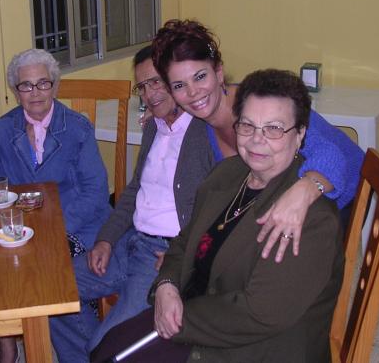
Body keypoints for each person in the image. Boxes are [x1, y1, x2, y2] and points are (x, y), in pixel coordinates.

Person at [92, 69, 345, 362]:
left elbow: (260, 313)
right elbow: (184, 242)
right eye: (247, 125)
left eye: (274, 128)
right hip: (196, 315)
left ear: (300, 134)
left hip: (252, 349)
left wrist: (177, 319)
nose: (257, 140)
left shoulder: (310, 220)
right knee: (106, 348)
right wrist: (166, 285)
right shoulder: (227, 174)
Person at [49, 46, 215, 362]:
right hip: (131, 242)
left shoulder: (205, 130)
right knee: (53, 290)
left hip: (162, 256)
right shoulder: (154, 127)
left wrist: (184, 256)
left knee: (109, 347)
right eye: (142, 87)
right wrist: (106, 240)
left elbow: (219, 207)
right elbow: (133, 191)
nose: (149, 94)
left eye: (156, 82)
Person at [151, 19, 364, 262]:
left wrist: (302, 191)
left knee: (269, 259)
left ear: (218, 72)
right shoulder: (198, 126)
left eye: (200, 76)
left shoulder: (259, 103)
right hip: (285, 189)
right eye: (179, 85)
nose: (192, 92)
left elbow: (331, 157)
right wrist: (185, 252)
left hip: (342, 190)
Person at [0, 48, 111, 362]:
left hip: (78, 227)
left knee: (47, 284)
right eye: (26, 85)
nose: (36, 92)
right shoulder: (2, 131)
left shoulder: (78, 128)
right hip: (25, 230)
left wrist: (52, 229)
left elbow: (95, 192)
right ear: (16, 91)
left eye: (43, 83)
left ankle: (88, 353)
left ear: (54, 85)